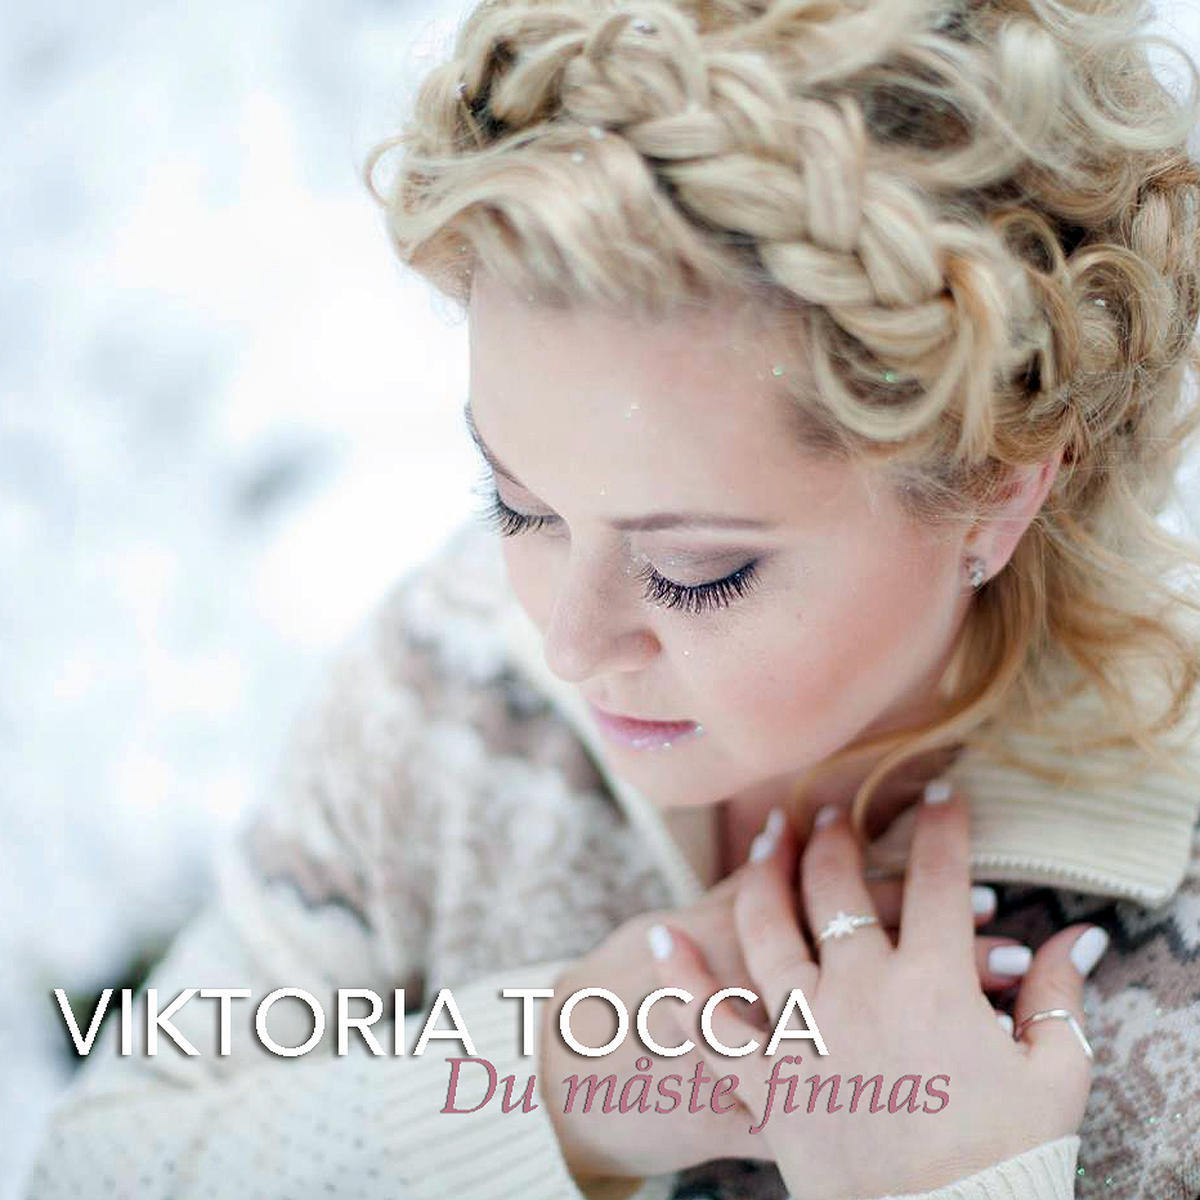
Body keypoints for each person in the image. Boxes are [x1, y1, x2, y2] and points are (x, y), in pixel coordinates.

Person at [22, 0, 1200, 1197]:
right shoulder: (453, 682)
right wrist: (552, 1091)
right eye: (520, 505)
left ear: (997, 491)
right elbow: (95, 1169)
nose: (567, 644)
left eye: (696, 569)